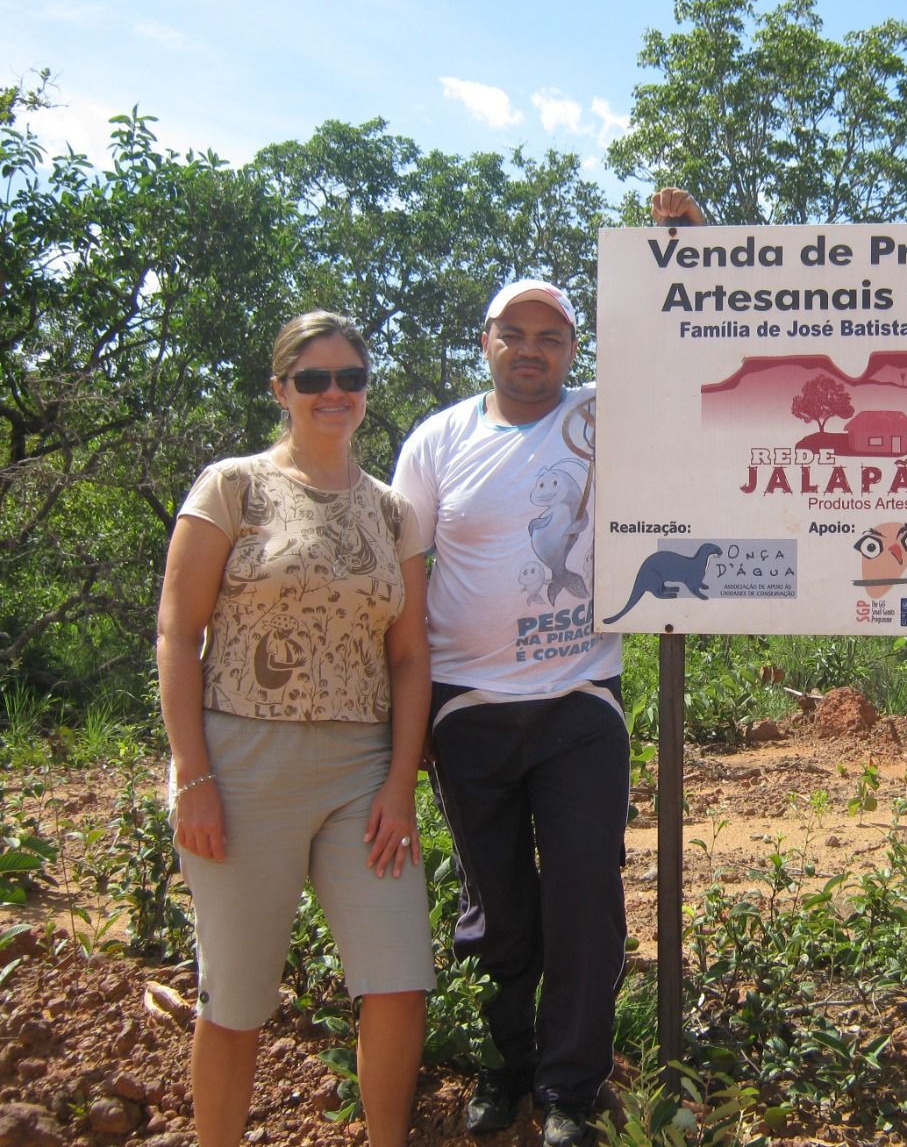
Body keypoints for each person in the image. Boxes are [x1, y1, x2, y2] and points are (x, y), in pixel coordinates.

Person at [392, 188, 705, 1145]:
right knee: (499, 909)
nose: (533, 349)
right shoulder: (435, 442)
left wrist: (683, 249)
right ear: (485, 340)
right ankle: (508, 1063)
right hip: (465, 708)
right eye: (515, 333)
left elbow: (682, 353)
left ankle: (571, 1090)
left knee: (584, 895)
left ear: (574, 352)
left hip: (578, 702)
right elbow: (406, 592)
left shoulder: (599, 418)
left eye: (554, 337)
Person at [156, 311, 434, 1146]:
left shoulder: (392, 513)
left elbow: (411, 656)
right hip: (242, 764)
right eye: (313, 379)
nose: (333, 393)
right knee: (237, 996)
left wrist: (399, 785)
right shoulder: (231, 487)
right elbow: (177, 633)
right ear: (282, 390)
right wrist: (194, 777)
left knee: (398, 980)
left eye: (349, 377)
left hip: (362, 770)